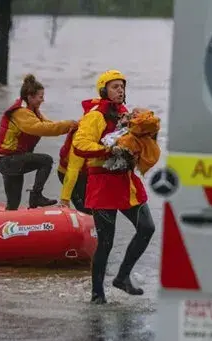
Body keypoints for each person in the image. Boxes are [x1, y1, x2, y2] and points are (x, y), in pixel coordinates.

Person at [72, 69, 157, 304]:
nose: (120, 90)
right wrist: (108, 149)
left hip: (126, 182)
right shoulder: (95, 116)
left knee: (147, 228)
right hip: (102, 184)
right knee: (106, 241)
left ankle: (122, 277)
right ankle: (97, 295)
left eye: (122, 87)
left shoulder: (126, 114)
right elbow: (80, 145)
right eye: (115, 87)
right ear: (104, 91)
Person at [0, 74, 78, 210]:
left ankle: (11, 221)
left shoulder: (32, 112)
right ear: (30, 97)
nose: (43, 100)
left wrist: (73, 125)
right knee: (46, 160)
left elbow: (50, 124)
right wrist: (67, 125)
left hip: (11, 160)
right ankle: (36, 196)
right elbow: (41, 128)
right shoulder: (21, 112)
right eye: (40, 97)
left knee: (13, 204)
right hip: (7, 160)